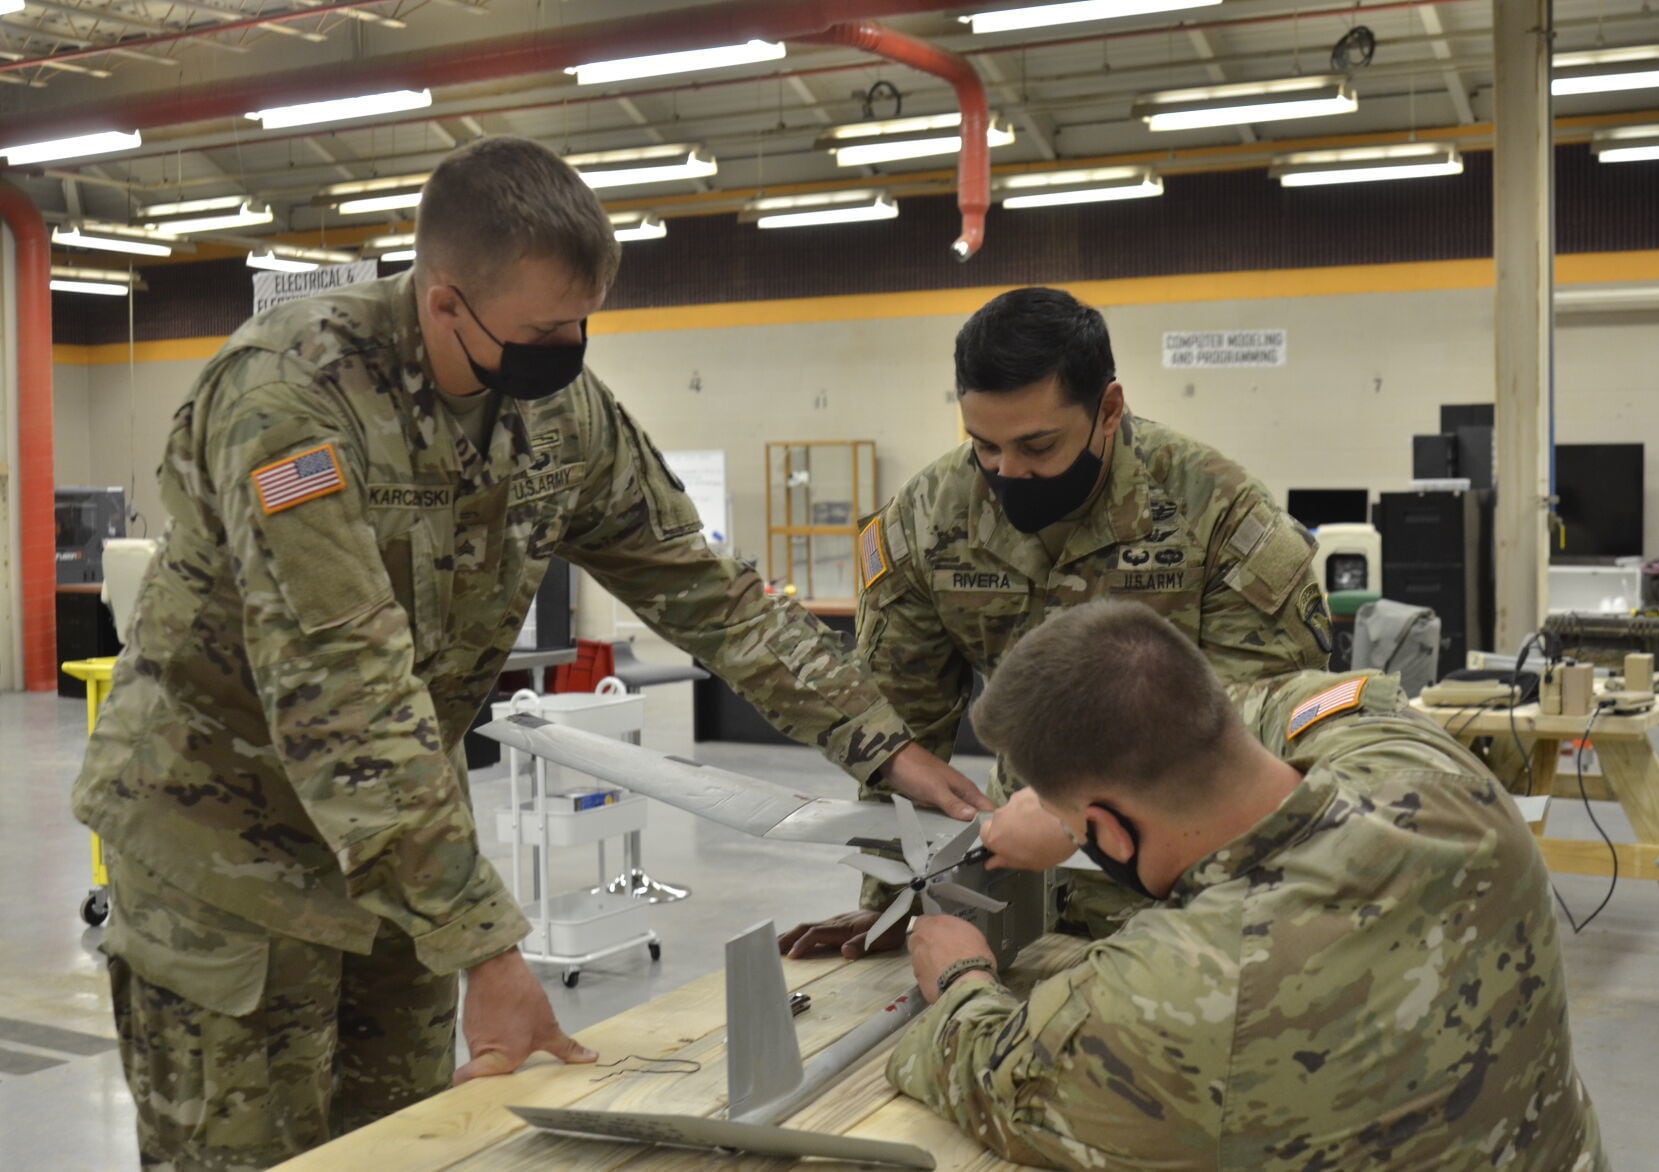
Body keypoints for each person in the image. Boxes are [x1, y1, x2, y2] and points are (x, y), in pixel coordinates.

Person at [71, 135, 986, 1170]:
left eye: (581, 323)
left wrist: (880, 743)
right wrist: (484, 943)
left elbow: (704, 589)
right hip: (221, 859)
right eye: (544, 328)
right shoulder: (291, 396)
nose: (569, 349)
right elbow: (345, 687)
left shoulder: (557, 408)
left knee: (399, 1145)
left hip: (398, 851)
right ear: (443, 299)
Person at [887, 599, 1608, 1171]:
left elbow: (988, 1078)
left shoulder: (1180, 992)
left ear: (1108, 830)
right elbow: (1302, 699)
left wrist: (960, 976)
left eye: (1081, 825)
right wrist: (1070, 808)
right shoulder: (1431, 773)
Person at [781, 287, 1330, 959]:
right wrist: (897, 896)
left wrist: (1077, 825)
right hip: (1011, 886)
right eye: (983, 445)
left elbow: (1265, 735)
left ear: (1107, 409)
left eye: (1037, 445)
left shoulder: (1211, 512)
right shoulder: (928, 519)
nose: (1008, 471)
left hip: (1191, 900)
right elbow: (905, 733)